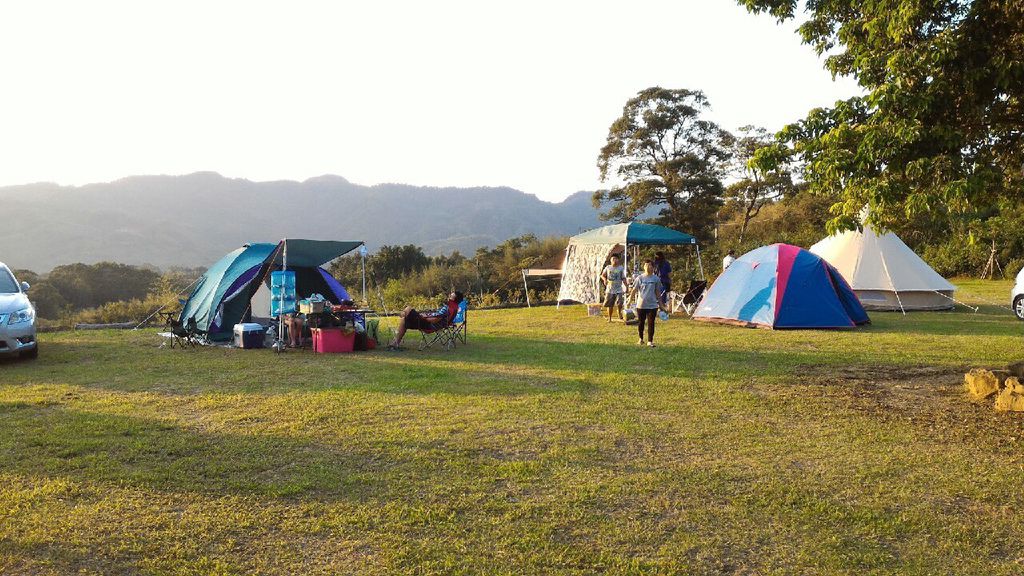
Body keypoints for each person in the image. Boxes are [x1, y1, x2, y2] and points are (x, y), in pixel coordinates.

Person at [387, 290, 465, 350]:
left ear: (453, 298)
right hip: (432, 324)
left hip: (429, 325)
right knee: (405, 320)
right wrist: (427, 315)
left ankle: (396, 338)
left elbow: (434, 319)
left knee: (408, 308)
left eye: (451, 295)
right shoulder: (454, 307)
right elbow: (438, 317)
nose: (449, 296)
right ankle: (395, 343)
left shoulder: (448, 308)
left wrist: (423, 317)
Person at [628, 260, 664, 348]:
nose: (648, 267)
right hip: (641, 305)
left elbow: (658, 292)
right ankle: (640, 338)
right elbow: (634, 290)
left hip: (652, 305)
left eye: (650, 265)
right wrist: (629, 301)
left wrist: (661, 304)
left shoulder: (656, 279)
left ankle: (650, 341)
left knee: (651, 323)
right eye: (646, 265)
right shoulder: (640, 278)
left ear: (653, 267)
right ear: (644, 267)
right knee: (641, 322)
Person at [601, 253, 626, 322]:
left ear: (618, 260)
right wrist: (605, 279)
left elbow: (623, 278)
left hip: (619, 288)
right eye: (613, 259)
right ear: (611, 260)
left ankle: (619, 311)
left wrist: (626, 286)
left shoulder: (620, 268)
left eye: (616, 259)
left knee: (620, 302)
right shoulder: (608, 267)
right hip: (610, 289)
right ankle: (610, 318)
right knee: (610, 304)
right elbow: (602, 275)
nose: (615, 260)